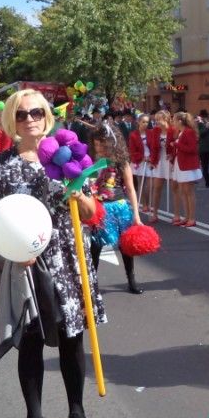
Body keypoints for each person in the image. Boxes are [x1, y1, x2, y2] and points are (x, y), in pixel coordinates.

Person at [0, 89, 106, 418]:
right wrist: (12, 248)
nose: (30, 119)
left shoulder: (69, 156)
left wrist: (78, 193)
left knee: (71, 338)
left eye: (36, 112)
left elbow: (91, 212)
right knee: (30, 342)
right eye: (21, 114)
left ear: (47, 116)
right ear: (12, 120)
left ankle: (77, 413)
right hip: (24, 263)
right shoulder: (2, 164)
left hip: (66, 257)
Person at [90, 122, 145, 294]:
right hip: (99, 207)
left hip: (119, 207)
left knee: (125, 245)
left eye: (102, 144)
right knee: (95, 246)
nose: (99, 148)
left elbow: (130, 188)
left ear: (111, 142)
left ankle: (131, 280)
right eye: (96, 144)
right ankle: (92, 284)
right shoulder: (92, 161)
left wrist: (136, 215)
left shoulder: (121, 162)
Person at [170, 111, 202, 226]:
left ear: (180, 121)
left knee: (189, 192)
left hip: (188, 165)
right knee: (183, 191)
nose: (173, 122)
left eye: (174, 120)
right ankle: (187, 217)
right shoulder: (181, 132)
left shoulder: (188, 132)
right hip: (181, 164)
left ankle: (192, 218)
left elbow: (192, 149)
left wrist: (176, 144)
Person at [147, 110, 173, 223]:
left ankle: (177, 214)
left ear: (166, 119)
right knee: (157, 187)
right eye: (155, 119)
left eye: (159, 119)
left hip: (170, 161)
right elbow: (153, 147)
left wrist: (172, 154)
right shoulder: (155, 131)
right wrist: (152, 161)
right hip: (159, 161)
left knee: (174, 188)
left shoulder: (173, 130)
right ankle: (155, 214)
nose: (156, 122)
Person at [127, 113, 155, 212]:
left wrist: (152, 157)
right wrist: (142, 158)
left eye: (147, 122)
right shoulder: (133, 135)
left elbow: (155, 147)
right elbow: (132, 150)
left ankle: (150, 203)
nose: (145, 124)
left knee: (150, 185)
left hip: (150, 160)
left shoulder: (151, 133)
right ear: (138, 122)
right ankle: (144, 204)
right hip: (139, 161)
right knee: (141, 183)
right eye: (143, 122)